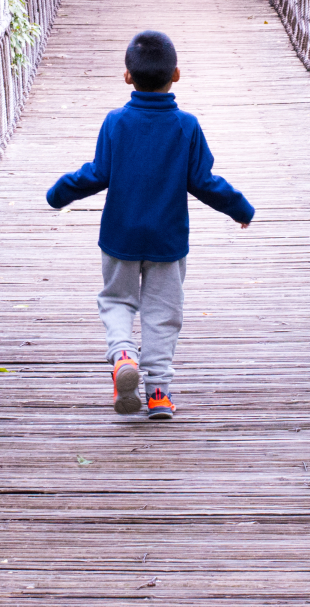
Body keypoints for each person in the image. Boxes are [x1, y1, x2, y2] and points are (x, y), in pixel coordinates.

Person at [46, 30, 254, 420]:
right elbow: (203, 182)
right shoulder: (187, 126)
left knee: (117, 301)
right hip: (167, 241)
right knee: (163, 313)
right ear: (176, 74)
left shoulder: (115, 122)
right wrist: (239, 208)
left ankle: (124, 353)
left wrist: (60, 193)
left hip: (120, 236)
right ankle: (158, 392)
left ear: (127, 76)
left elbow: (97, 173)